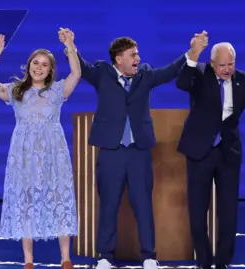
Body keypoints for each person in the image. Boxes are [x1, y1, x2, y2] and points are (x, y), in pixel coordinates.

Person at [58, 28, 206, 269]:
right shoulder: (103, 73)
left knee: (143, 204)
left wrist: (192, 52)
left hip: (139, 151)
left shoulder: (145, 75)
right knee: (108, 205)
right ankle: (105, 256)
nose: (138, 58)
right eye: (133, 55)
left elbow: (169, 72)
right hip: (111, 151)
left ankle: (149, 255)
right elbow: (81, 67)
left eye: (138, 54)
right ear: (119, 58)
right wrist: (70, 46)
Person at [0, 29, 81, 269]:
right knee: (25, 200)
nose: (39, 67)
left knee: (59, 198)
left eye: (44, 65)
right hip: (24, 156)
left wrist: (70, 46)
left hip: (53, 153)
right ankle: (28, 260)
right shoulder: (16, 91)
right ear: (29, 66)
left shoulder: (57, 91)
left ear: (50, 70)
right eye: (35, 63)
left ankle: (65, 258)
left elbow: (76, 73)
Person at [175, 40, 245, 269]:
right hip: (200, 150)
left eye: (231, 64)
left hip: (228, 153)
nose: (227, 69)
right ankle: (203, 262)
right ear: (212, 63)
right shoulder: (200, 74)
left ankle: (223, 263)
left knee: (228, 213)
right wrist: (193, 54)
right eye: (222, 65)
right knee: (197, 210)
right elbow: (182, 83)